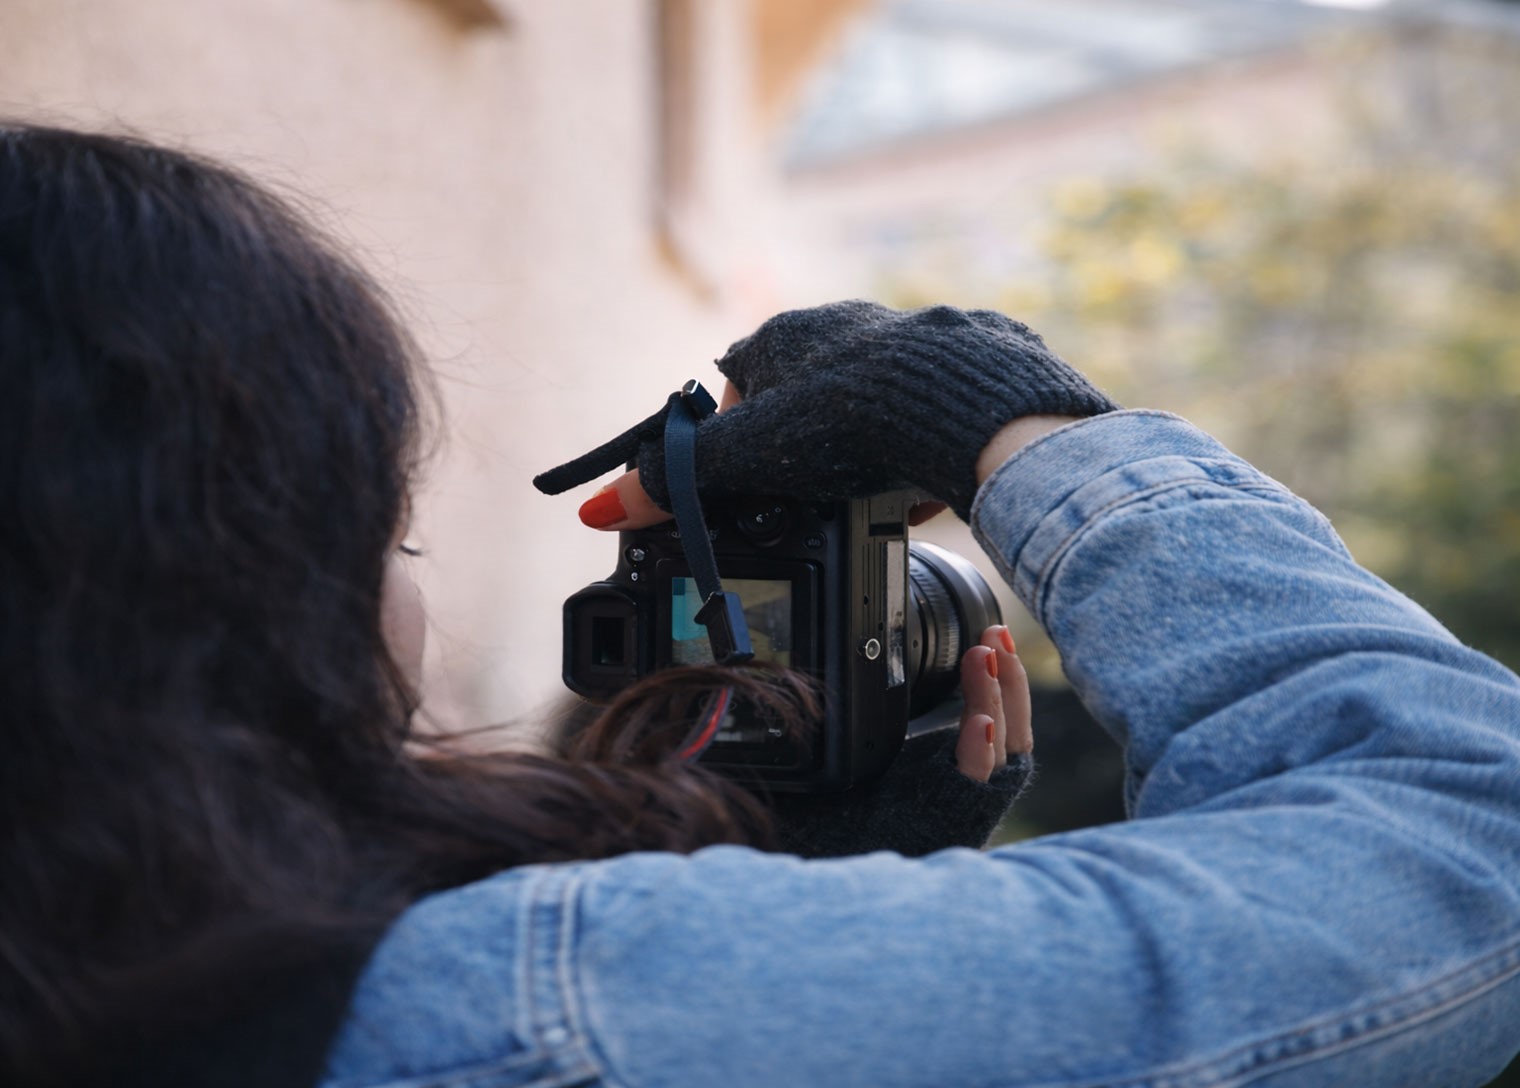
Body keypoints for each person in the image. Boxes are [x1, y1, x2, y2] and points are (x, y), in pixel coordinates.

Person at [0, 125, 1516, 1088]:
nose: (408, 601)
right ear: (213, 590)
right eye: (383, 535)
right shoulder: (514, 1010)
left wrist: (819, 897)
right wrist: (1002, 417)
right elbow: (1468, 833)